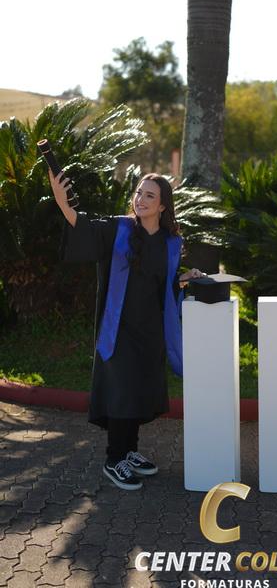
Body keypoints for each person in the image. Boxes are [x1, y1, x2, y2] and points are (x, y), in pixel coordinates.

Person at [49, 169, 205, 490]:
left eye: (150, 195)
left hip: (150, 330)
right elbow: (82, 224)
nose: (141, 199)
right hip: (118, 328)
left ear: (163, 205)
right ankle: (114, 459)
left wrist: (183, 278)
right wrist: (61, 199)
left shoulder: (171, 243)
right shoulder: (119, 229)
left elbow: (164, 286)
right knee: (122, 392)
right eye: (138, 193)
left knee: (138, 391)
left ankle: (130, 451)